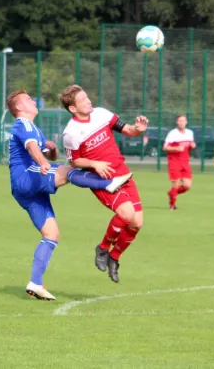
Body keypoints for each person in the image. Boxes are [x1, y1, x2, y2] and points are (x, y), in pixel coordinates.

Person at [7, 90, 132, 301]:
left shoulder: (33, 128)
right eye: (28, 99)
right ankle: (109, 183)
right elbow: (31, 149)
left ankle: (35, 282)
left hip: (26, 190)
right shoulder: (23, 124)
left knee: (51, 235)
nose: (33, 100)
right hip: (27, 177)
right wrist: (45, 163)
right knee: (67, 172)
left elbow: (44, 152)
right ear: (20, 108)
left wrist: (51, 152)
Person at [60, 85, 148, 284]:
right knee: (126, 214)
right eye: (82, 100)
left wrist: (138, 129)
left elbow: (128, 130)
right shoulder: (71, 133)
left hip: (124, 173)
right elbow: (74, 161)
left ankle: (114, 258)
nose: (88, 101)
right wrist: (94, 164)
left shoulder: (101, 114)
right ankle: (102, 248)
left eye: (87, 97)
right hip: (104, 180)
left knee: (137, 223)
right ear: (73, 108)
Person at [163, 115, 195, 210]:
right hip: (174, 162)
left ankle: (172, 193)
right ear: (177, 122)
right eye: (180, 121)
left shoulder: (190, 133)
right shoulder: (172, 133)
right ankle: (172, 205)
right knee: (176, 184)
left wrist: (192, 146)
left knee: (187, 185)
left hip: (185, 162)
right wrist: (176, 148)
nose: (182, 123)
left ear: (186, 122)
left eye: (183, 121)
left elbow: (189, 146)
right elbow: (165, 147)